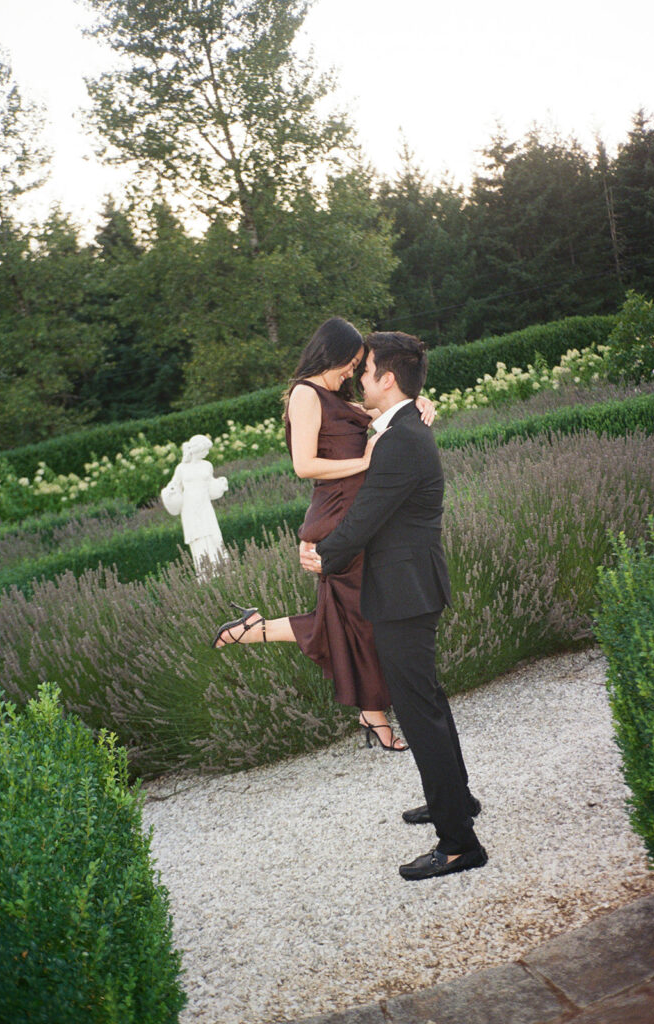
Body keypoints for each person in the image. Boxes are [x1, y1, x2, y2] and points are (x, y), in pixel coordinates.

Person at [302, 331, 487, 881]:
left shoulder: (402, 439)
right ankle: (457, 801)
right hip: (410, 588)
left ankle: (458, 844)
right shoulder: (401, 427)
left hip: (404, 594)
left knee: (420, 712)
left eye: (366, 371)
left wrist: (323, 556)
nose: (360, 378)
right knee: (428, 702)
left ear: (386, 379)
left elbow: (365, 518)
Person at [212, 317, 434, 751]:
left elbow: (385, 410)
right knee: (361, 618)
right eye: (351, 363)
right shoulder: (305, 394)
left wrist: (420, 401)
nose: (353, 372)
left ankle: (257, 630)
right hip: (338, 516)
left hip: (355, 516)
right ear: (332, 355)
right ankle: (371, 713)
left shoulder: (335, 395)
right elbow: (304, 465)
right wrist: (365, 462)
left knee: (353, 617)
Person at [162, 434, 229, 577]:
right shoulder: (181, 468)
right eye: (205, 450)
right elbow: (174, 485)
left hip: (205, 504)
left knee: (213, 534)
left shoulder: (207, 465)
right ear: (197, 449)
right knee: (198, 538)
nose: (207, 453)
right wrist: (170, 492)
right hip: (190, 507)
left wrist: (220, 484)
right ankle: (205, 572)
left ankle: (221, 568)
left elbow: (211, 486)